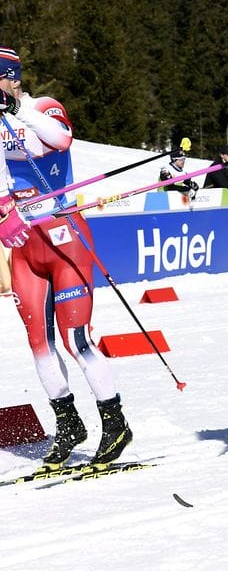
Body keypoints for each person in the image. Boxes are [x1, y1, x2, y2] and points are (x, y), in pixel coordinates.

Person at [0, 45, 132, 468]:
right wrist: (3, 208)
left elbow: (59, 140)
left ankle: (115, 424)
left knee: (77, 341)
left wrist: (17, 107)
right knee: (39, 345)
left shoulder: (42, 106)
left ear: (11, 77)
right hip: (26, 244)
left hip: (64, 236)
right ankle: (69, 423)